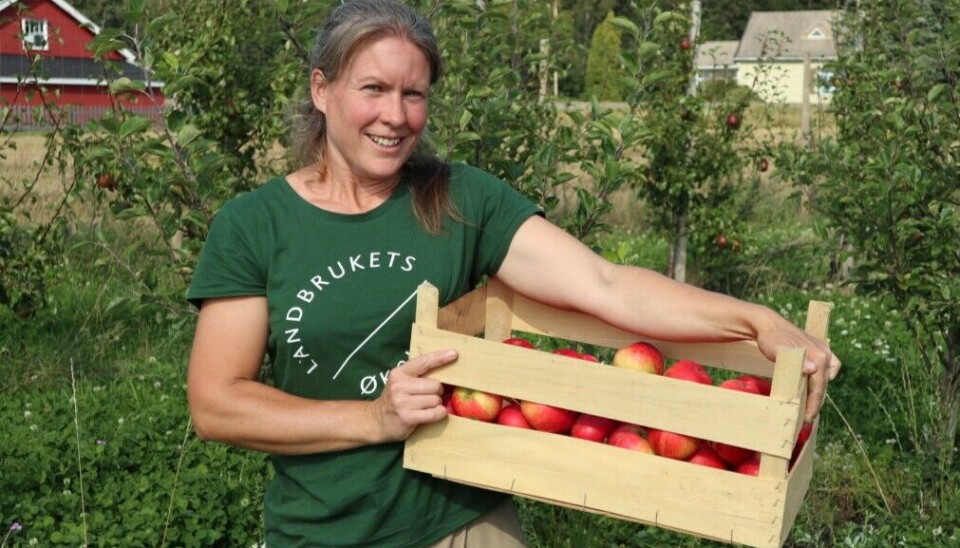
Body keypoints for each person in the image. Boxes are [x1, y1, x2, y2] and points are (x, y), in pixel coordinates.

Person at [185, 1, 841, 546]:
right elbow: (217, 403)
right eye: (374, 89)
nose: (396, 116)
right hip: (320, 531)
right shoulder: (255, 226)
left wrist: (756, 322)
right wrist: (372, 419)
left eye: (414, 94)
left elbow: (605, 285)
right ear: (321, 89)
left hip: (467, 526)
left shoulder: (461, 200)